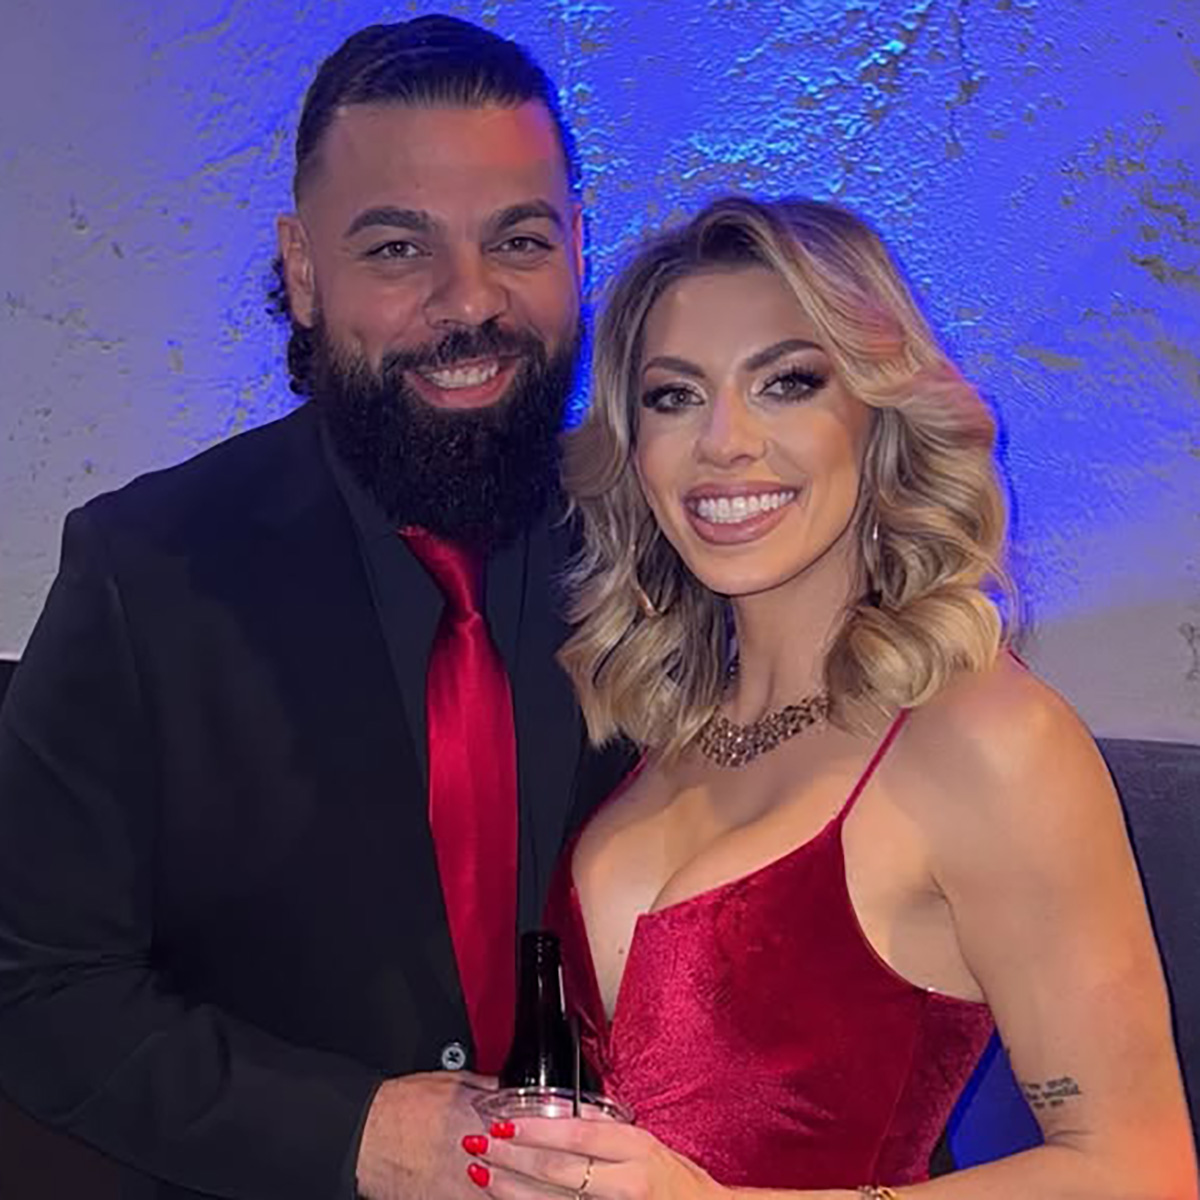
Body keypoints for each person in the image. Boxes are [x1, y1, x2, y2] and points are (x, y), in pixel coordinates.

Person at [0, 16, 629, 1200]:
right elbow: (33, 988)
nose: (471, 302)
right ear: (301, 269)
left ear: (579, 247)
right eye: (398, 247)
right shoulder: (144, 573)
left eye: (519, 239)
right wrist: (357, 1135)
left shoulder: (676, 549)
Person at [459, 197, 1198, 1196]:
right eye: (674, 396)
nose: (724, 441)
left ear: (878, 416)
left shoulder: (987, 739)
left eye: (787, 383)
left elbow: (1141, 1172)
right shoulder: (653, 724)